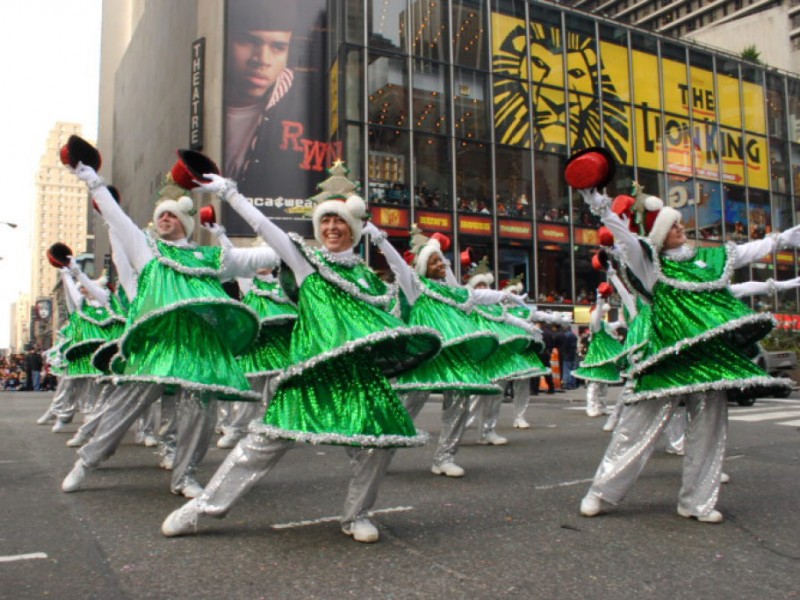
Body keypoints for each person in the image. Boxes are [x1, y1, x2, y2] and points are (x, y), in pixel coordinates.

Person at [161, 162, 441, 543]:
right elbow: (266, 229)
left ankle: (356, 514)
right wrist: (230, 193)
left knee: (377, 444)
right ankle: (201, 509)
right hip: (310, 372)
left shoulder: (367, 279)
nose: (331, 228)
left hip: (356, 376)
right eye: (325, 221)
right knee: (262, 445)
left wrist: (382, 242)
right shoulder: (306, 262)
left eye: (339, 221)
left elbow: (409, 289)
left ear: (354, 228)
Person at [572, 159, 800, 524]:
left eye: (679, 223)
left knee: (709, 430)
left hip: (708, 359)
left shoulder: (710, 259)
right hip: (666, 357)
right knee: (635, 429)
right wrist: (600, 206)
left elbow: (750, 251)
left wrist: (785, 238)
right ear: (659, 235)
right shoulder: (650, 264)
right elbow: (625, 240)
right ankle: (600, 492)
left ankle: (697, 502)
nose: (680, 227)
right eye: (672, 225)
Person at [61, 151, 277, 499]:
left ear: (185, 223)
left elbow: (267, 254)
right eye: (160, 214)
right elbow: (117, 219)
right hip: (157, 344)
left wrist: (300, 248)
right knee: (125, 405)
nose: (164, 219)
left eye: (171, 215)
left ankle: (185, 475)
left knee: (200, 411)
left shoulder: (210, 257)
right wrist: (92, 180)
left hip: (200, 348)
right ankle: (87, 461)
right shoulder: (147, 251)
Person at [223, 0, 325, 206]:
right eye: (248, 41)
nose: (262, 59)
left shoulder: (309, 102)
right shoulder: (211, 94)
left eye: (278, 47)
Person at [556, 324, 578, 390]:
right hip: (573, 355)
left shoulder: (566, 336)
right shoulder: (574, 336)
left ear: (566, 328)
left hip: (567, 355)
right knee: (572, 370)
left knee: (567, 370)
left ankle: (567, 384)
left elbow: (565, 346)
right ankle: (573, 384)